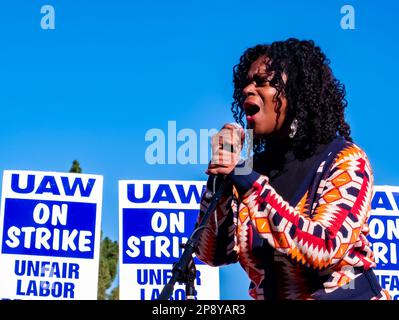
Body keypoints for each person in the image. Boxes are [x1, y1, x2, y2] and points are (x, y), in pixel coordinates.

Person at [195, 38, 390, 300]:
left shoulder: (345, 160)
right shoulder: (253, 171)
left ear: (295, 93)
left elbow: (323, 247)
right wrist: (220, 179)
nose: (247, 89)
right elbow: (212, 254)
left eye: (262, 82)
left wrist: (246, 179)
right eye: (246, 83)